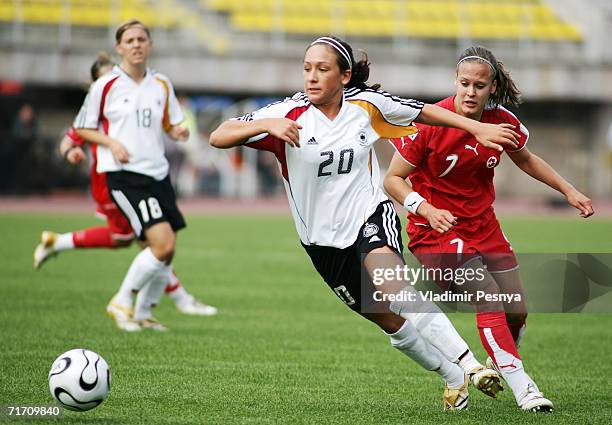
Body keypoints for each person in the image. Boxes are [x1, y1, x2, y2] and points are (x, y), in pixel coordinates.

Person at [209, 36, 524, 410]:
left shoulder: (367, 105)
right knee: (390, 322)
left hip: (369, 215)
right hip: (322, 242)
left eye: (322, 69)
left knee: (396, 288)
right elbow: (219, 134)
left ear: (344, 76)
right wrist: (266, 126)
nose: (312, 77)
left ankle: (470, 365)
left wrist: (475, 128)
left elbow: (424, 112)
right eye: (307, 69)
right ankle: (452, 376)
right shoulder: (288, 114)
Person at [384, 46, 594, 412]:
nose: (470, 91)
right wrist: (427, 209)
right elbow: (394, 180)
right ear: (455, 82)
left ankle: (499, 359)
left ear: (491, 87)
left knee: (516, 311)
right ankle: (524, 387)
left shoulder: (504, 122)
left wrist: (569, 190)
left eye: (479, 85)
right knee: (488, 295)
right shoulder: (430, 121)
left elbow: (526, 159)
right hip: (434, 230)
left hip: (484, 226)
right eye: (464, 83)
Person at [33, 52, 217, 319]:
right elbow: (70, 137)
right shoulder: (97, 104)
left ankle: (160, 303)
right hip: (111, 179)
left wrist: (174, 131)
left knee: (147, 241)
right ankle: (167, 300)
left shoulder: (136, 95)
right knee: (142, 241)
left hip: (143, 174)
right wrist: (69, 152)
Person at [72, 20, 199, 332]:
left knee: (166, 249)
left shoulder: (162, 84)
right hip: (125, 176)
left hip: (158, 173)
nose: (136, 44)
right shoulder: (105, 86)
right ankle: (122, 300)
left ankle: (143, 312)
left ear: (150, 44)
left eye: (142, 38)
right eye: (129, 40)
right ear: (120, 48)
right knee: (162, 244)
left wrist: (177, 131)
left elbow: (169, 123)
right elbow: (82, 128)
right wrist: (111, 142)